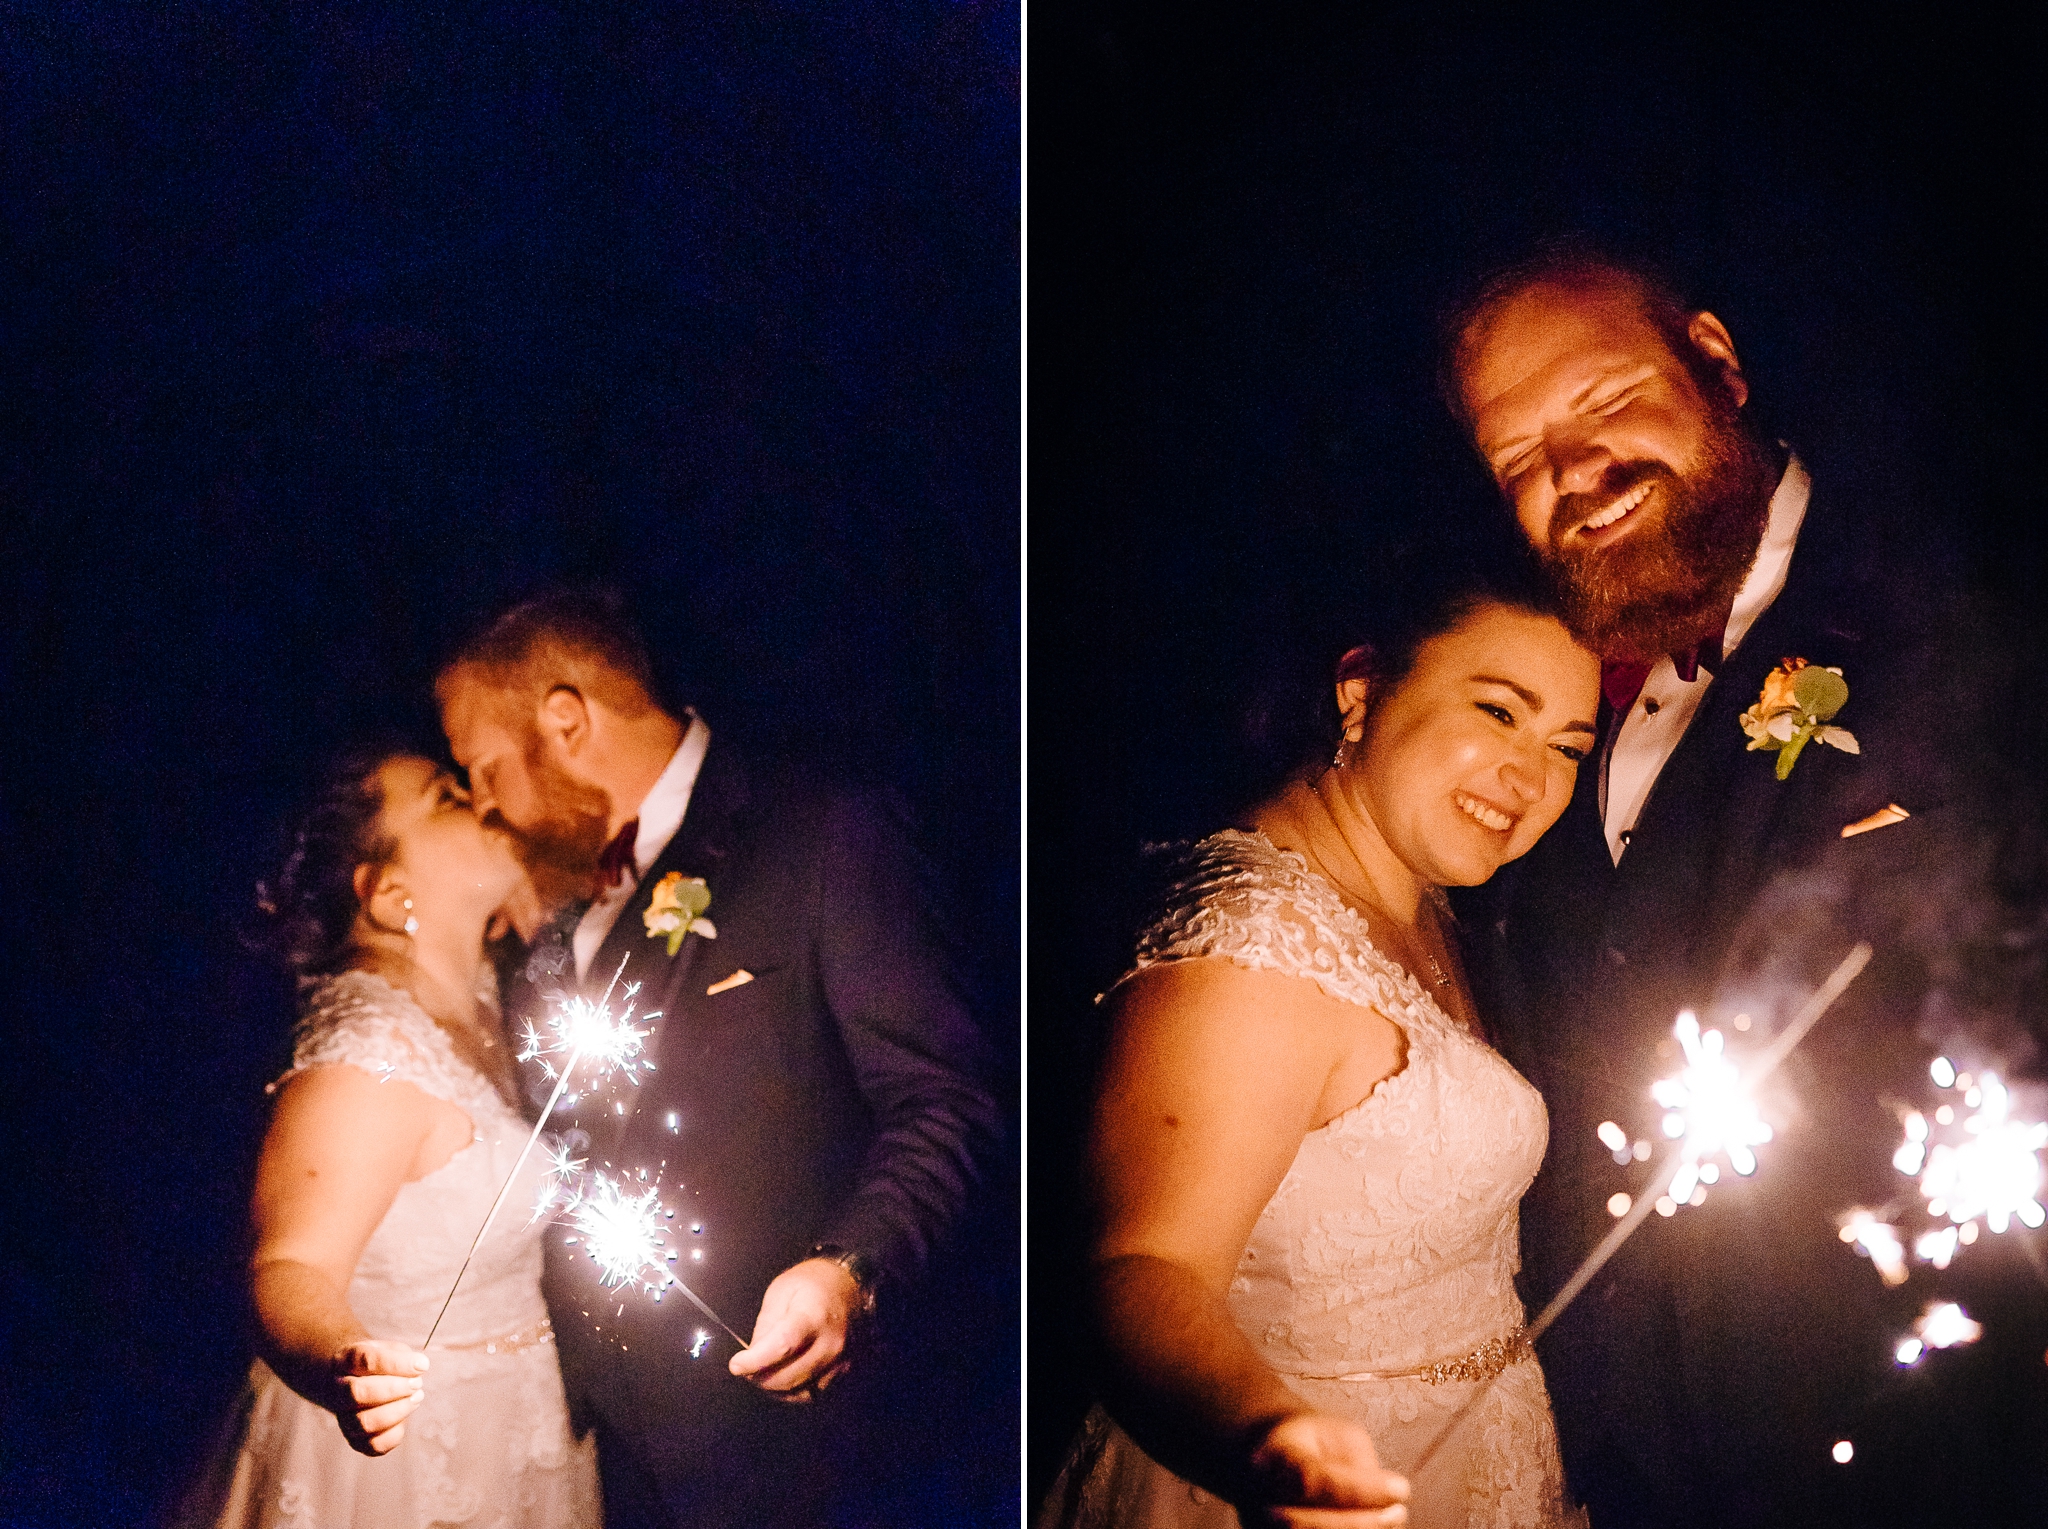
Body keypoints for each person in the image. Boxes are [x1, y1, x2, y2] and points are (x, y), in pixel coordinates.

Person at [1446, 245, 2048, 1526]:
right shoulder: (1528, 698)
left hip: (1927, 1451)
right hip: (1613, 1460)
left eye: (1602, 402)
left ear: (1713, 364)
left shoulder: (1974, 590)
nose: (1572, 477)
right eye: (1517, 460)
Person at [1041, 574, 1600, 1529]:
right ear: (1361, 690)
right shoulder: (1251, 948)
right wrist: (1268, 1437)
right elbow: (1143, 1265)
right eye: (1499, 711)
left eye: (1564, 749)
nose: (1530, 778)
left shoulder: (1419, 890)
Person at [435, 588, 1002, 1527]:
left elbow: (945, 1098)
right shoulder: (551, 901)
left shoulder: (822, 830)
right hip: (607, 1448)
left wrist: (848, 1268)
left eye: (484, 765)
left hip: (801, 1455)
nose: (484, 801)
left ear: (565, 720)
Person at [196, 749, 600, 1527]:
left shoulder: (485, 995)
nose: (484, 801)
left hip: (520, 1423)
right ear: (387, 894)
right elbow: (289, 1263)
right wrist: (348, 1364)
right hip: (403, 1461)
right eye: (447, 797)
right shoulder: (369, 1053)